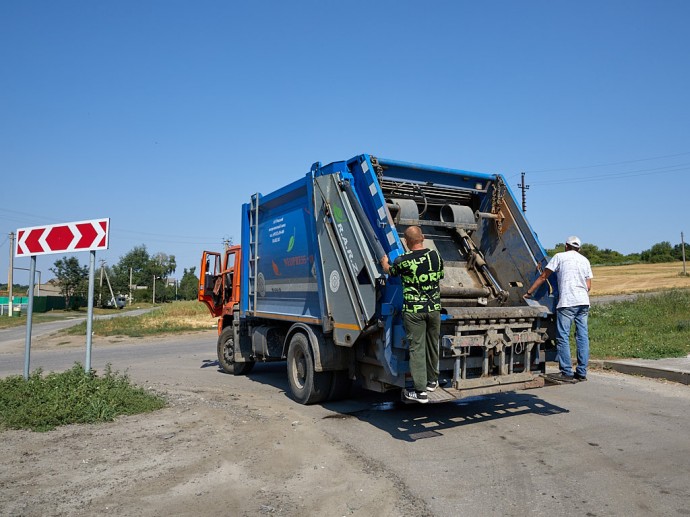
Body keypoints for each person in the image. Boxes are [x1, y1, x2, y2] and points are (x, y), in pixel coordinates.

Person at [380, 226, 444, 403]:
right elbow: (440, 275)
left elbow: (390, 272)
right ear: (422, 237)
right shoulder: (435, 256)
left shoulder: (403, 260)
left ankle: (420, 391)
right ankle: (432, 381)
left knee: (417, 349)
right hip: (434, 309)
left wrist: (385, 263)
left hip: (414, 312)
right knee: (432, 345)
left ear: (406, 243)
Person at [524, 235, 593, 382]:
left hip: (567, 302)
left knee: (563, 337)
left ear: (566, 246)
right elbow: (588, 286)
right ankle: (581, 372)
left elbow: (544, 277)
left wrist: (529, 293)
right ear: (578, 248)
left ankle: (566, 372)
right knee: (582, 337)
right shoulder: (585, 260)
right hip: (583, 303)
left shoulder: (559, 257)